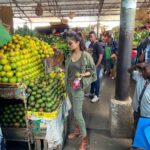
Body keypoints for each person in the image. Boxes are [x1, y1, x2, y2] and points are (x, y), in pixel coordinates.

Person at [65, 32, 96, 150]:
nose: (69, 45)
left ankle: (84, 139)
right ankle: (77, 130)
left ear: (78, 43)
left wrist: (84, 74)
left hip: (78, 89)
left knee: (78, 114)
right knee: (74, 111)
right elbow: (69, 72)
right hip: (69, 87)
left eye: (70, 43)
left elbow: (92, 71)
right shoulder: (69, 56)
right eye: (68, 43)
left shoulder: (86, 56)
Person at [128, 63, 150, 150]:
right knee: (135, 128)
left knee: (145, 132)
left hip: (147, 114)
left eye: (145, 71)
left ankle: (142, 146)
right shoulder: (140, 76)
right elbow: (129, 71)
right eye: (143, 70)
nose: (142, 73)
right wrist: (136, 65)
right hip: (137, 111)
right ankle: (134, 145)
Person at [85, 31, 104, 103]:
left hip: (96, 66)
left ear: (95, 36)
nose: (90, 38)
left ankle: (97, 95)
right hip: (91, 66)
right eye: (89, 37)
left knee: (96, 80)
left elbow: (101, 56)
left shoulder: (98, 44)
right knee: (92, 79)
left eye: (91, 36)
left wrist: (96, 66)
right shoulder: (91, 45)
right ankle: (92, 92)